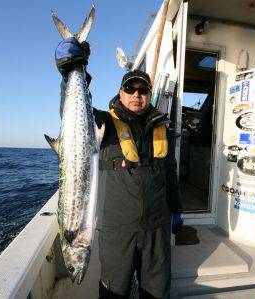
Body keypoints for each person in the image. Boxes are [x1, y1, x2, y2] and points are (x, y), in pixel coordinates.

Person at [55, 37, 183, 299]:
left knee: (158, 292)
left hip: (156, 229)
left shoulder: (162, 128)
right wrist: (72, 72)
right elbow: (71, 115)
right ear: (121, 93)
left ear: (149, 94)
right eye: (130, 88)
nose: (137, 94)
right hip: (117, 231)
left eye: (143, 90)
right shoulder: (104, 122)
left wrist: (177, 209)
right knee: (115, 292)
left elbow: (170, 175)